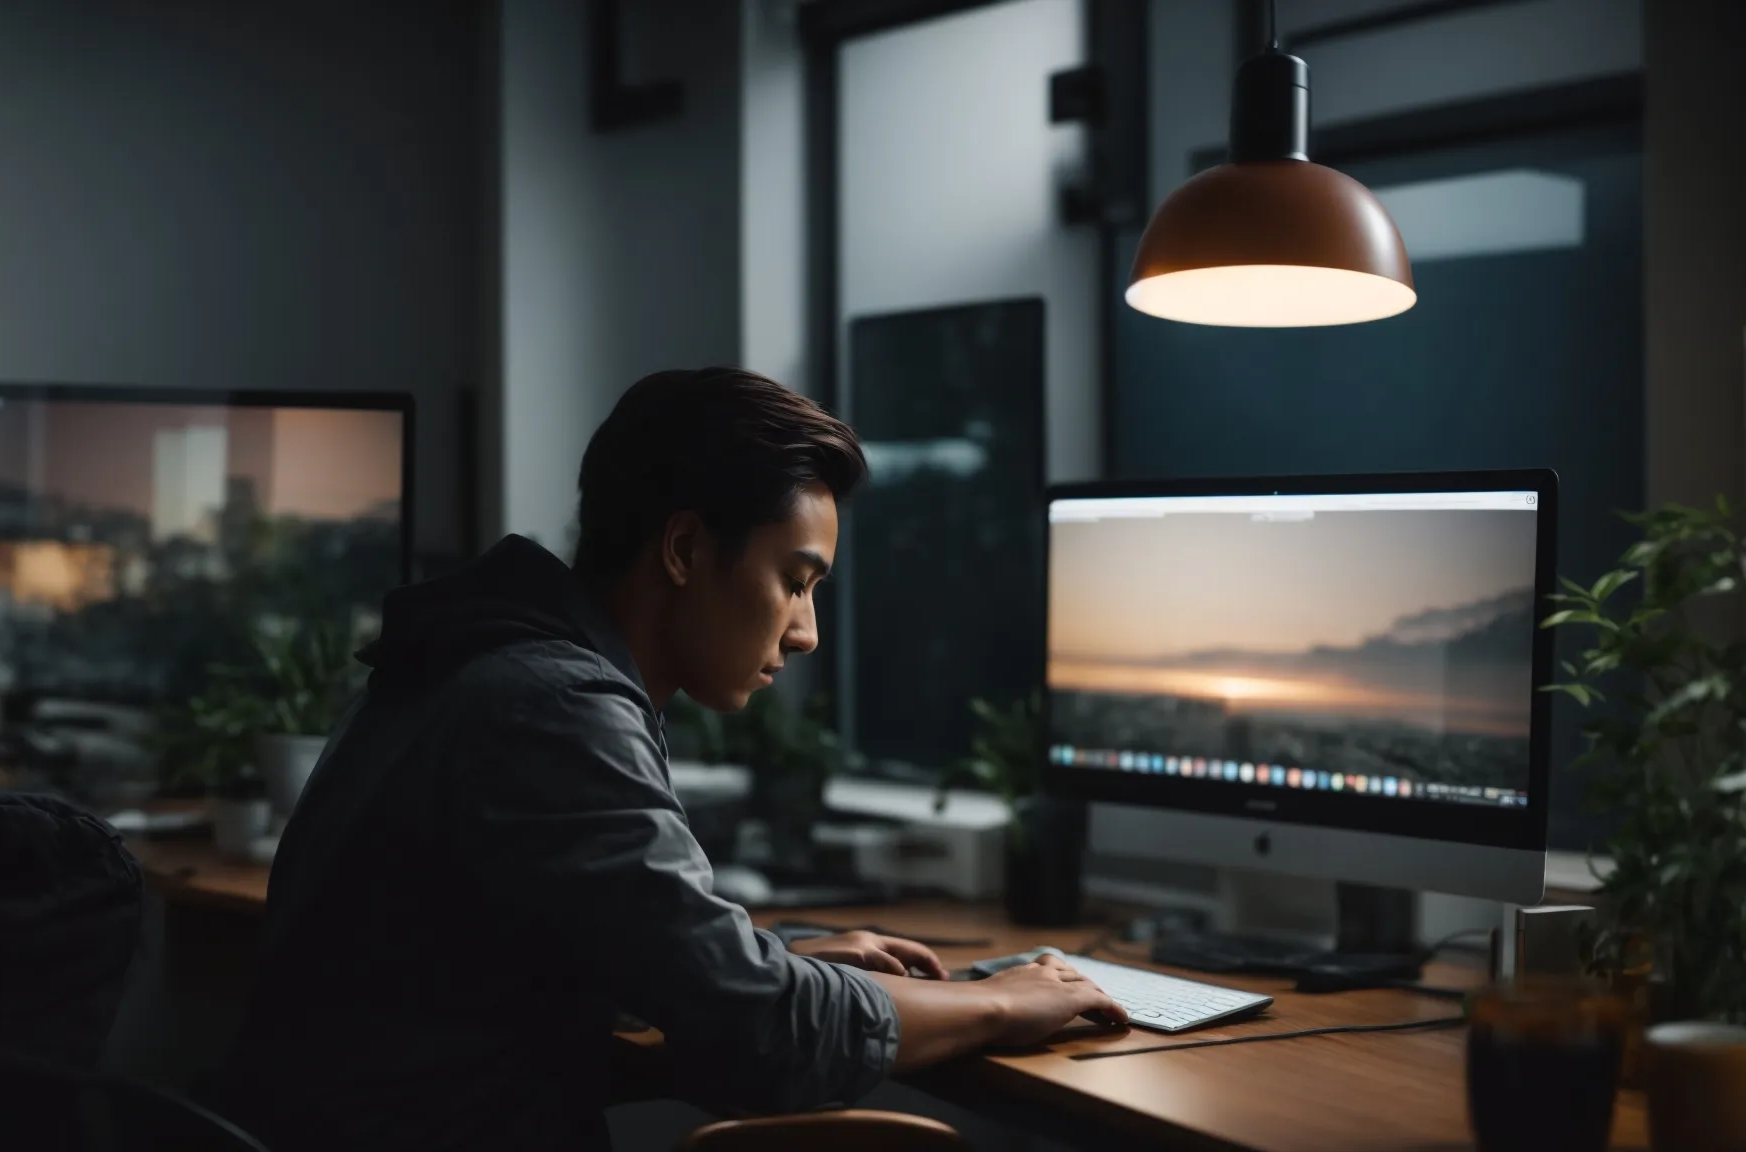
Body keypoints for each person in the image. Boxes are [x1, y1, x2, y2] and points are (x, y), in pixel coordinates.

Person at [217, 367, 1124, 1151]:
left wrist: (778, 958)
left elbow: (519, 970)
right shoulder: (553, 703)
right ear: (686, 548)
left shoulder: (478, 658)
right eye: (795, 581)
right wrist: (1006, 1000)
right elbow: (762, 1037)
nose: (805, 632)